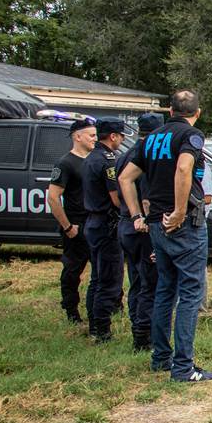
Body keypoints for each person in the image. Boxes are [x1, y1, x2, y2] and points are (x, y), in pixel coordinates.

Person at [119, 89, 212, 382]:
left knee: (165, 290)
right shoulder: (191, 136)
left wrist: (137, 215)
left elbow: (126, 177)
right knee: (190, 292)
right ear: (196, 112)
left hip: (154, 224)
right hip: (182, 223)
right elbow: (185, 167)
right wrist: (178, 210)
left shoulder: (151, 139)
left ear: (170, 111)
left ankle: (160, 357)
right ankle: (183, 367)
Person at [115, 113, 162, 352]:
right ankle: (145, 337)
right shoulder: (149, 156)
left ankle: (137, 325)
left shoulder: (124, 156)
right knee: (150, 284)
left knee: (135, 279)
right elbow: (147, 199)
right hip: (143, 226)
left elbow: (116, 192)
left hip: (125, 223)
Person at [47, 119, 97, 325]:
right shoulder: (65, 163)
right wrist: (68, 227)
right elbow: (53, 197)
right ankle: (71, 309)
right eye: (91, 135)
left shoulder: (95, 159)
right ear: (77, 137)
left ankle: (109, 306)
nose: (95, 138)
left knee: (105, 269)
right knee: (73, 270)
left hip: (95, 224)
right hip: (76, 226)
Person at [82, 117, 126, 343]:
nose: (122, 140)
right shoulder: (108, 160)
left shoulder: (91, 157)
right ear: (113, 136)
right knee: (109, 279)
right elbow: (116, 198)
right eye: (121, 136)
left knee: (97, 278)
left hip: (93, 222)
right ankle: (102, 331)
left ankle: (93, 325)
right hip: (107, 224)